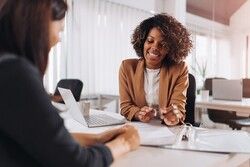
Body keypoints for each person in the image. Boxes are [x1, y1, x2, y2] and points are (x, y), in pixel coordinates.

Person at [0, 0, 140, 167]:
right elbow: (77, 163)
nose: (58, 39)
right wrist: (125, 143)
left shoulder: (7, 68)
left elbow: (43, 138)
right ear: (38, 24)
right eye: (60, 30)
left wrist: (97, 138)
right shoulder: (16, 74)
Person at [119, 13, 192, 126]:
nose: (154, 48)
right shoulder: (127, 67)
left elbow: (178, 107)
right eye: (150, 40)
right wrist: (139, 114)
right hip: (140, 129)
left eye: (163, 44)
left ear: (170, 49)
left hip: (167, 130)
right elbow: (125, 106)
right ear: (142, 41)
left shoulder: (179, 69)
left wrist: (174, 116)